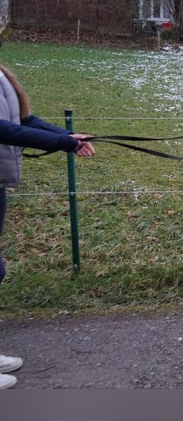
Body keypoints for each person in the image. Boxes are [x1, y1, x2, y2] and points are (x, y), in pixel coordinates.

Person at [0, 62, 95, 389]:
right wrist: (61, 144)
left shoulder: (1, 75)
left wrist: (65, 135)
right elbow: (3, 130)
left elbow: (23, 121)